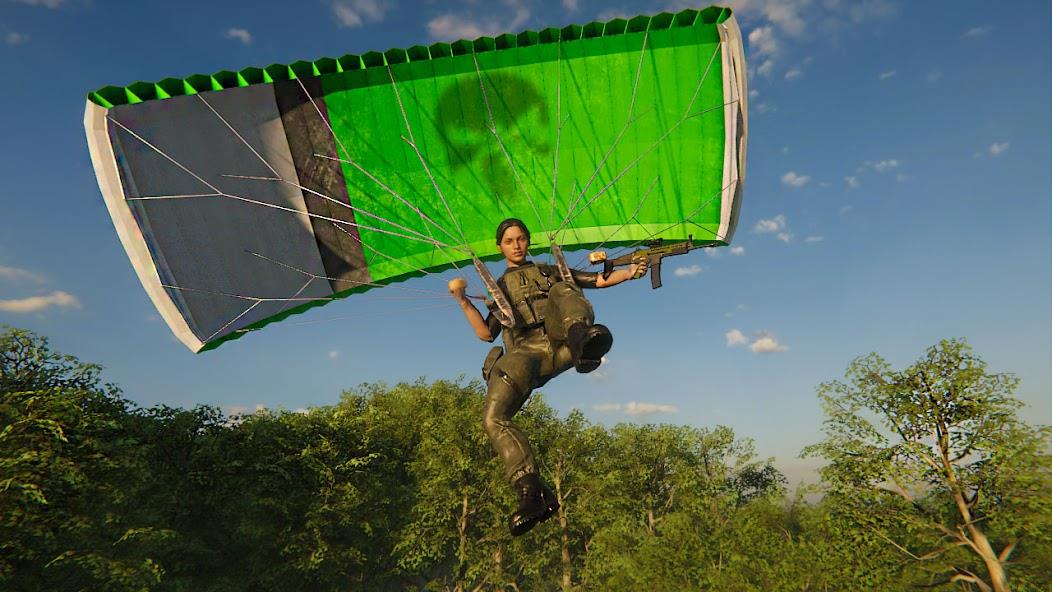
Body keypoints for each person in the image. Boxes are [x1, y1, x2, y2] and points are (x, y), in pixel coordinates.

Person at [450, 218, 647, 536]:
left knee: (563, 287)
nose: (516, 245)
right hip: (527, 355)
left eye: (521, 239)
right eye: (509, 241)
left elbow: (595, 280)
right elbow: (486, 333)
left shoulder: (549, 271)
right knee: (493, 418)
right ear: (500, 247)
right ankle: (532, 493)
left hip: (564, 340)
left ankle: (582, 341)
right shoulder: (499, 288)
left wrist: (630, 271)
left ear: (529, 241)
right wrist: (462, 300)